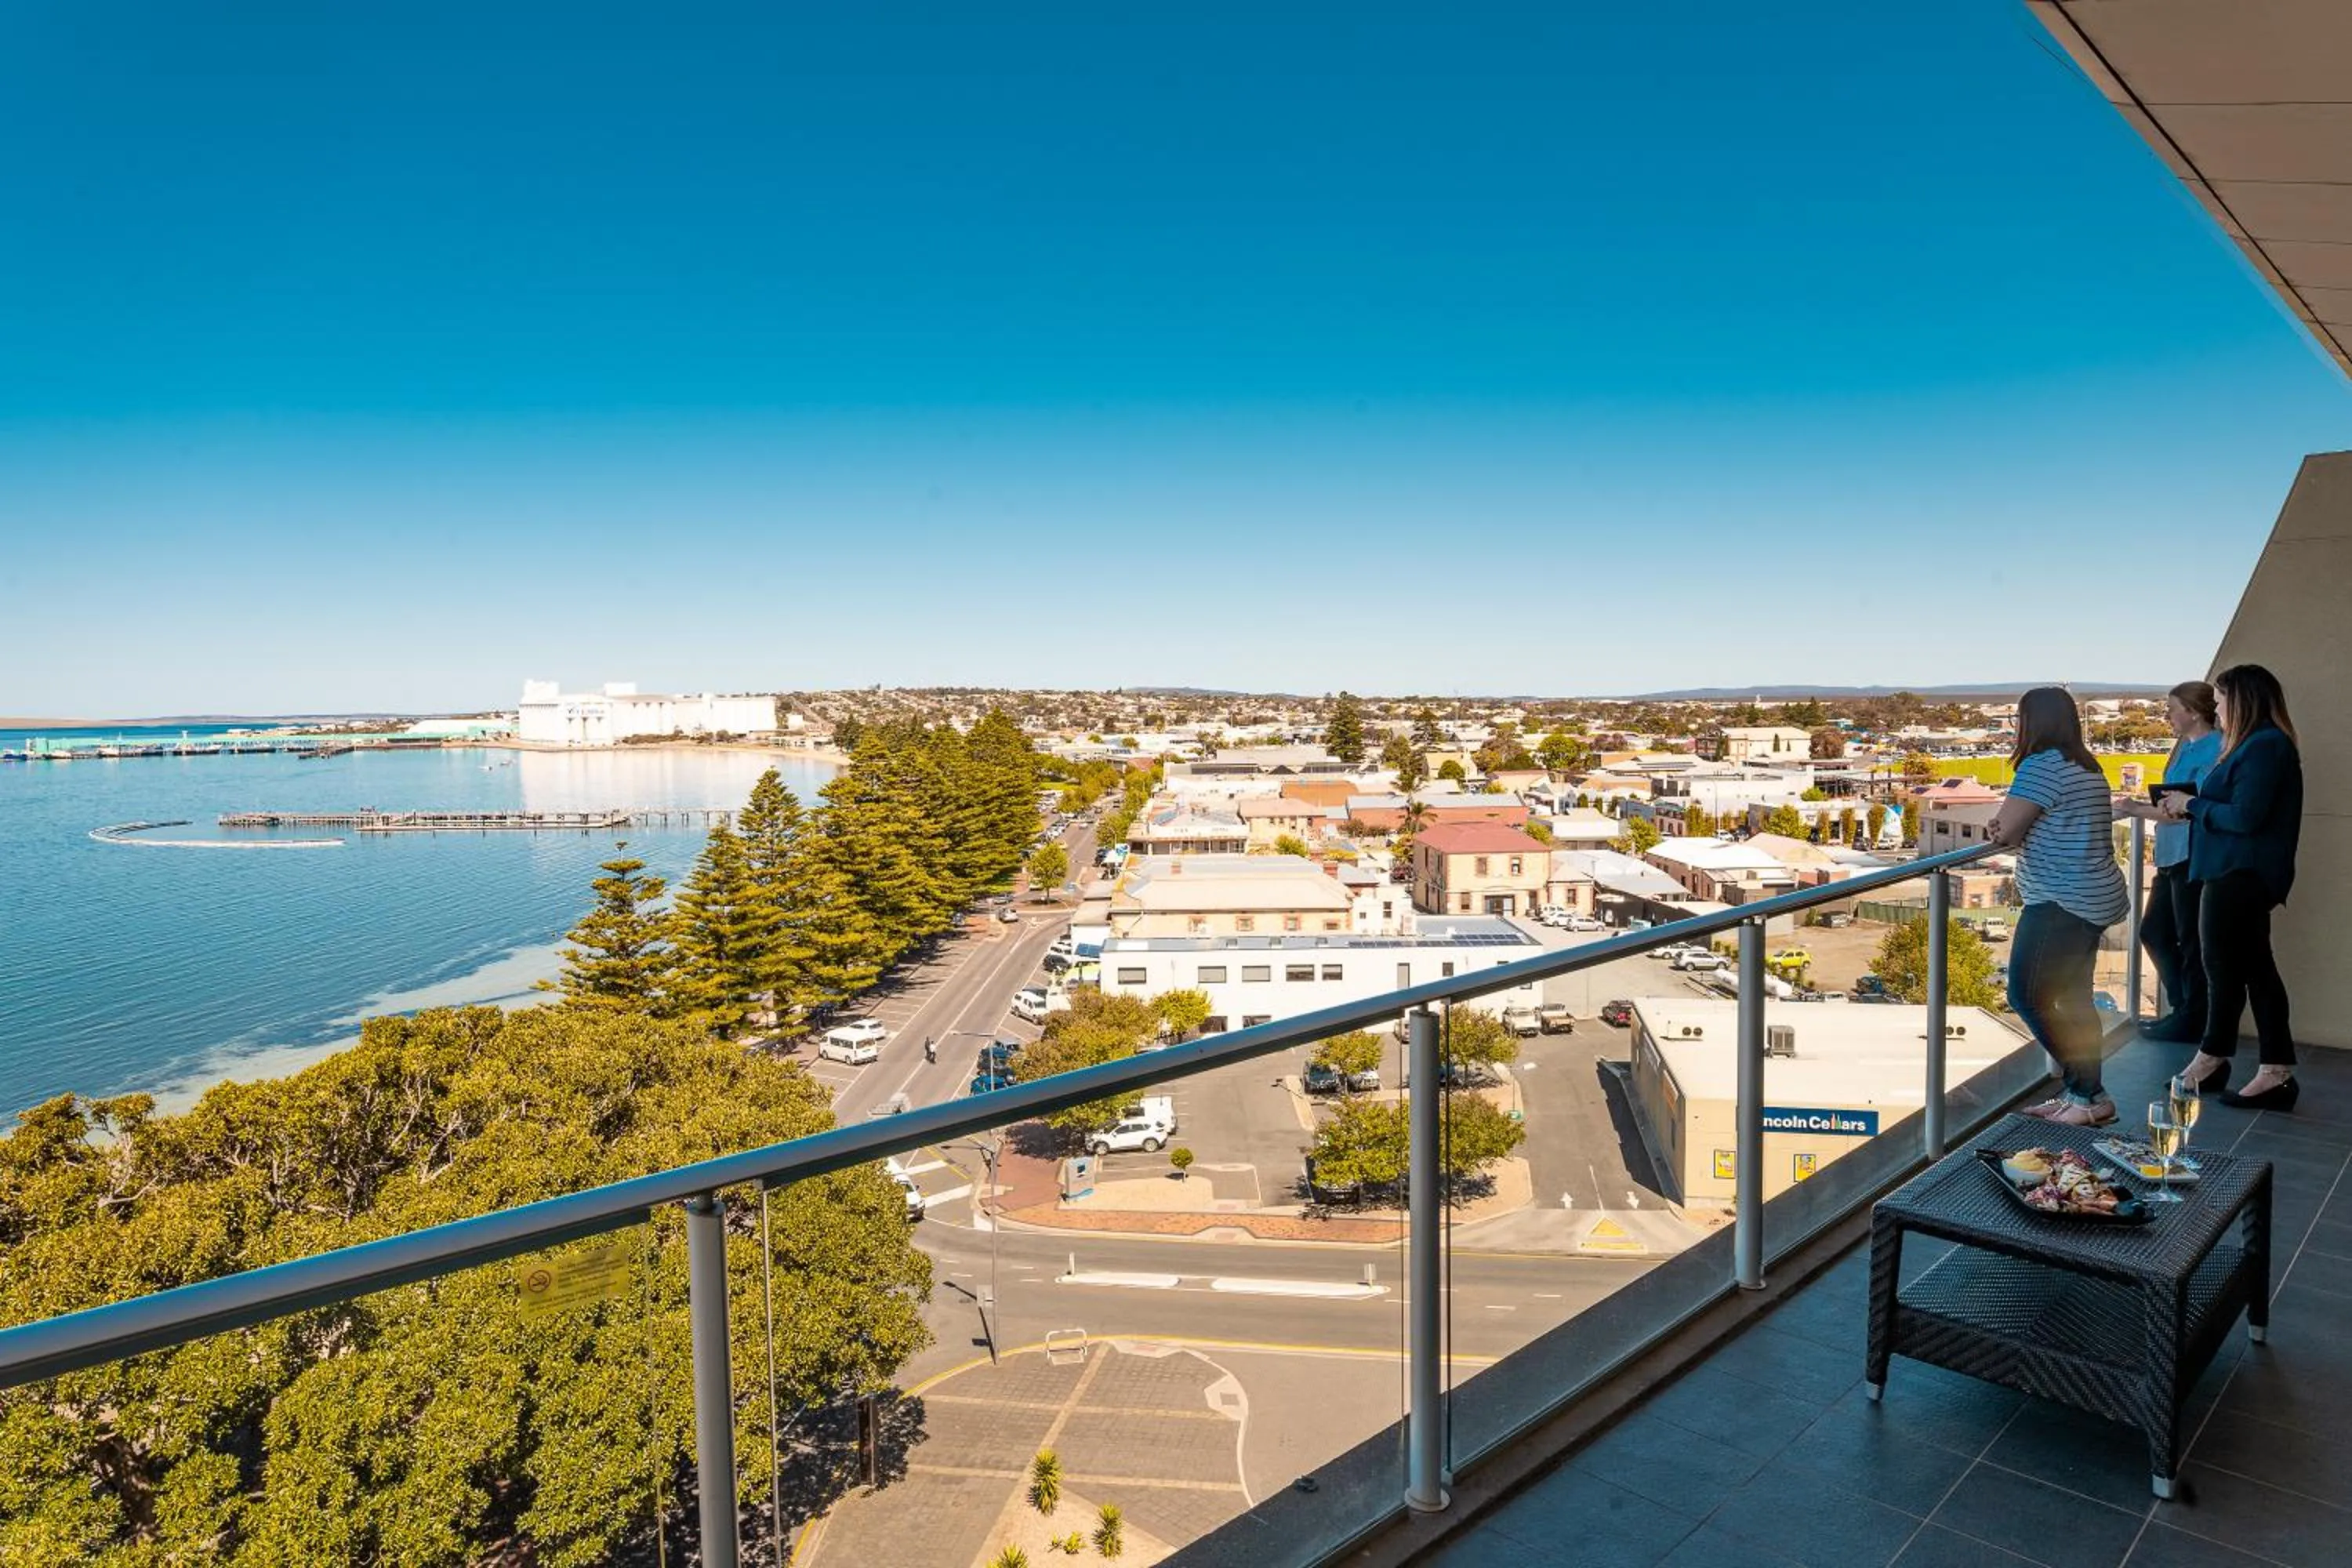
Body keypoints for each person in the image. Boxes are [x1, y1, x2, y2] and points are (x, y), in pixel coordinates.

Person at [1989, 687, 2131, 1127]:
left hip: (2061, 899)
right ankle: (2082, 1094)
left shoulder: (2040, 767)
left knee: (2026, 995)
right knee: (2073, 999)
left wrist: (2000, 827)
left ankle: (2088, 1094)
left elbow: (2006, 833)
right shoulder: (2085, 767)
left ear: (2031, 722)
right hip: (2093, 895)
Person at [2162, 664, 2303, 1108]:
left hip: (2239, 873)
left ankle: (2215, 1059)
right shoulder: (2262, 744)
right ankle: (2268, 1069)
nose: (2216, 705)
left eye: (2221, 698)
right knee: (2253, 968)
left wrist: (2193, 804)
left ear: (2240, 699)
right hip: (2237, 872)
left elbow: (2245, 817)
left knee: (2225, 968)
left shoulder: (2263, 747)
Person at [2114, 682, 2222, 1042]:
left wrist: (2133, 809)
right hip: (2171, 855)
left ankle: (2191, 1018)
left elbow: (2186, 810)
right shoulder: (2186, 750)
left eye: (2172, 708)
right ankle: (2184, 1011)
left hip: (2191, 856)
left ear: (2193, 712)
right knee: (2156, 933)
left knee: (2190, 941)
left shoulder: (2215, 750)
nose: (2167, 716)